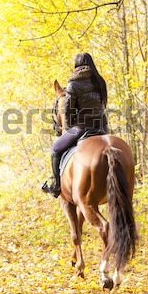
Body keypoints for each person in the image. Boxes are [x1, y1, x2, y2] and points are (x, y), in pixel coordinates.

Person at [42, 52, 108, 198]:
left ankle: (56, 185)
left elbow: (68, 109)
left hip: (82, 127)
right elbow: (104, 103)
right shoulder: (100, 81)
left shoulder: (74, 83)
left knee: (55, 150)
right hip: (102, 127)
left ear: (76, 65)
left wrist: (70, 125)